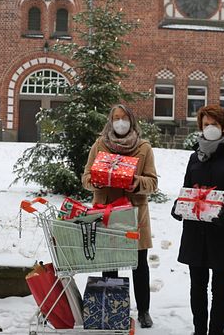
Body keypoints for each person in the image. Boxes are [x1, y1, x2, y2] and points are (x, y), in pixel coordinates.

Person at [172, 104, 224, 335]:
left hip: (222, 232)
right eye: (206, 124)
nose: (210, 128)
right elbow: (187, 189)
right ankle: (199, 331)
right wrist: (179, 207)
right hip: (195, 232)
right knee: (197, 286)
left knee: (220, 288)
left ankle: (215, 332)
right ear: (200, 127)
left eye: (214, 124)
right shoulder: (194, 158)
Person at [82, 104, 159, 328]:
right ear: (110, 121)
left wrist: (138, 182)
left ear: (132, 120)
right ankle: (112, 307)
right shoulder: (100, 145)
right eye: (116, 118)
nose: (120, 122)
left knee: (139, 263)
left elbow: (153, 182)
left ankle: (143, 310)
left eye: (124, 118)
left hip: (134, 212)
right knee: (110, 261)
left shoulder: (144, 147)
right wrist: (93, 181)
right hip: (107, 210)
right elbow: (86, 176)